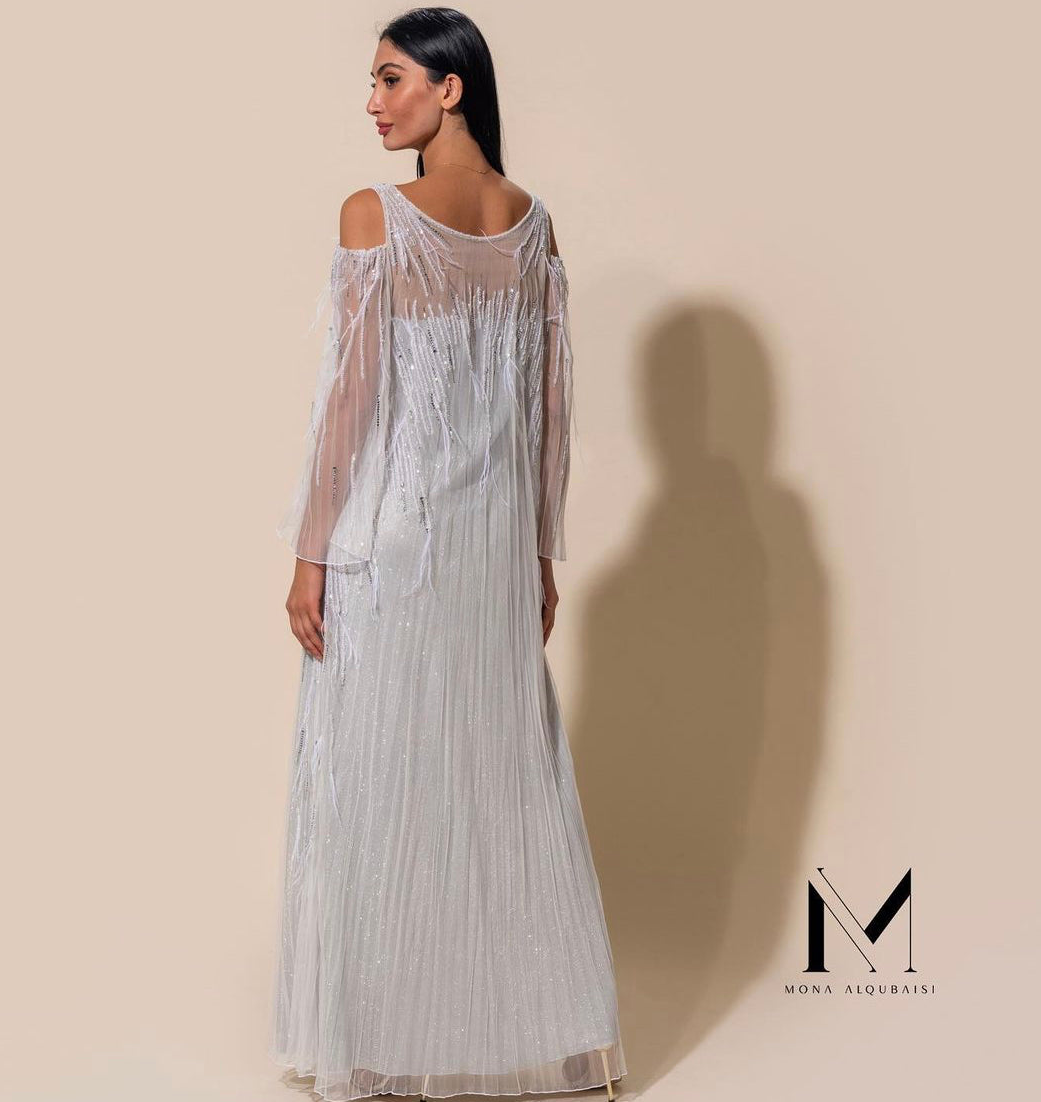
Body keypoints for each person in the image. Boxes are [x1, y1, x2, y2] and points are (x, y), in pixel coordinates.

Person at [270, 9, 627, 1100]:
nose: (372, 102)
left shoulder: (375, 214)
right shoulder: (534, 226)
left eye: (391, 79)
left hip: (395, 543)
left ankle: (386, 1048)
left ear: (449, 87)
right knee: (503, 782)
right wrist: (540, 555)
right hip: (490, 555)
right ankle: (545, 1037)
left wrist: (309, 552)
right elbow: (549, 413)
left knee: (379, 781)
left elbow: (348, 400)